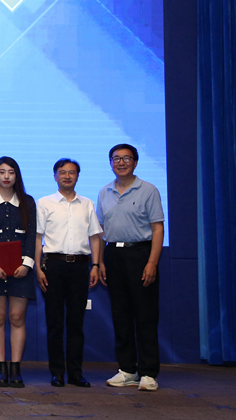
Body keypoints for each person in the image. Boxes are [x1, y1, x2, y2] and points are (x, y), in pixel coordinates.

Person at [96, 144, 164, 391]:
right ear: (110, 163)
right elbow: (101, 230)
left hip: (141, 253)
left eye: (126, 158)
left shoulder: (148, 190)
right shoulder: (104, 192)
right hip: (114, 254)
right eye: (116, 158)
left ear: (135, 162)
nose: (121, 162)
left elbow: (157, 228)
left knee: (145, 315)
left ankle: (148, 372)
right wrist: (100, 262)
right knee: (121, 315)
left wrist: (152, 262)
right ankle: (127, 370)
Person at [35, 159, 102, 388]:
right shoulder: (45, 203)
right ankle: (57, 373)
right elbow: (37, 238)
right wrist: (38, 268)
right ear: (55, 176)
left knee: (76, 323)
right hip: (53, 265)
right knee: (54, 322)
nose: (67, 176)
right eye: (62, 172)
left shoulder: (87, 204)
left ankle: (75, 373)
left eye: (71, 172)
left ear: (77, 176)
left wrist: (96, 265)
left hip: (80, 266)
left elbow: (95, 237)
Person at [0, 156, 36, 388]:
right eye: (2, 172)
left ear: (16, 175)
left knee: (17, 317)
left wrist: (27, 264)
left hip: (22, 269)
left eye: (11, 172)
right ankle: (1, 369)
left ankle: (16, 369)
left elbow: (32, 235)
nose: (7, 176)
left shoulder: (27, 202)